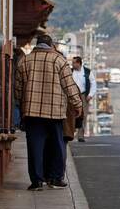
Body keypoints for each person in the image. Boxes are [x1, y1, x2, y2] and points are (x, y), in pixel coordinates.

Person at [14, 32, 83, 191]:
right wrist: (77, 104)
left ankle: (37, 181)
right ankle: (55, 178)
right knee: (57, 145)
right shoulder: (59, 60)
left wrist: (22, 103)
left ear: (37, 45)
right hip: (55, 112)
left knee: (35, 146)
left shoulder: (25, 60)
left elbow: (18, 90)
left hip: (31, 112)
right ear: (51, 45)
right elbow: (69, 86)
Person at [71, 56, 94, 142]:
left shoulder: (88, 72)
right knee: (72, 114)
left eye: (74, 63)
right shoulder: (70, 71)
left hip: (84, 96)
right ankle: (71, 134)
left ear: (78, 63)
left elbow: (93, 83)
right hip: (72, 96)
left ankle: (80, 136)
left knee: (83, 116)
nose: (72, 64)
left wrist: (90, 95)